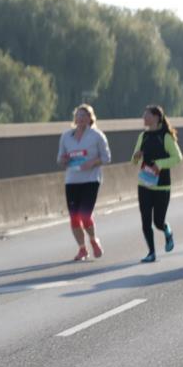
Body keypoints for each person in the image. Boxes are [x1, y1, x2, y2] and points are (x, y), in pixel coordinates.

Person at [57, 103, 112, 260]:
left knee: (85, 215)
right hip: (72, 180)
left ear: (90, 118)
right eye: (78, 115)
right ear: (74, 118)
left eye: (84, 115)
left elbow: (107, 158)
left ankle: (93, 240)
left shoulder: (97, 136)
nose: (80, 118)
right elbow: (60, 159)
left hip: (90, 179)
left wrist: (92, 163)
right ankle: (82, 249)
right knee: (74, 218)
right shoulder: (66, 136)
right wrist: (64, 159)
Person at [132, 104, 183, 263]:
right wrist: (136, 156)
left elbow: (178, 158)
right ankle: (151, 253)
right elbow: (133, 161)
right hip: (144, 184)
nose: (144, 117)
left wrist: (160, 164)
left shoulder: (166, 137)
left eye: (146, 115)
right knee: (145, 220)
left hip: (162, 185)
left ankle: (167, 231)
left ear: (156, 117)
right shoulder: (143, 136)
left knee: (158, 222)